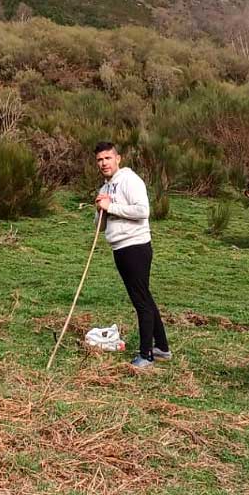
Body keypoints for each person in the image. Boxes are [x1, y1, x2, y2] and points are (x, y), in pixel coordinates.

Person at [94, 141, 171, 367]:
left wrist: (111, 207)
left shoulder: (129, 180)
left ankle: (146, 354)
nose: (103, 163)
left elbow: (142, 211)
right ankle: (163, 348)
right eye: (99, 160)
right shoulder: (105, 188)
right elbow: (99, 227)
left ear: (118, 158)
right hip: (119, 248)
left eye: (107, 158)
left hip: (136, 246)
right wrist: (100, 209)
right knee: (144, 296)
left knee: (141, 301)